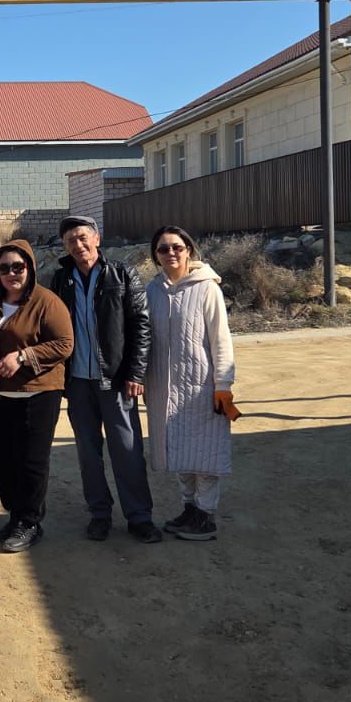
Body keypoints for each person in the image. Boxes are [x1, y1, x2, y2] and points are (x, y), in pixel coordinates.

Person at [50, 215, 159, 544]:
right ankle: (99, 514)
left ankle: (139, 517)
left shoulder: (122, 273)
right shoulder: (60, 279)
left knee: (127, 449)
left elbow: (141, 324)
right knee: (87, 451)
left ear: (97, 238)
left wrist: (135, 372)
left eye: (83, 237)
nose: (78, 245)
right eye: (71, 241)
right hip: (78, 382)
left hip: (115, 380)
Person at [0, 238, 73, 553]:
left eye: (18, 266)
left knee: (32, 462)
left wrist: (23, 356)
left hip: (38, 394)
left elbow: (64, 344)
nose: (11, 273)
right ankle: (17, 513)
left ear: (29, 267)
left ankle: (29, 522)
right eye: (4, 268)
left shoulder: (47, 302)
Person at [144, 224, 239, 542]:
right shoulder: (152, 291)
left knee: (206, 453)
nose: (170, 253)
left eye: (177, 247)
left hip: (201, 387)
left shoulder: (207, 288)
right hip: (163, 388)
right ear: (155, 256)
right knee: (178, 451)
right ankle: (188, 509)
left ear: (189, 250)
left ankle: (205, 515)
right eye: (163, 249)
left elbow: (220, 339)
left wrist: (223, 384)